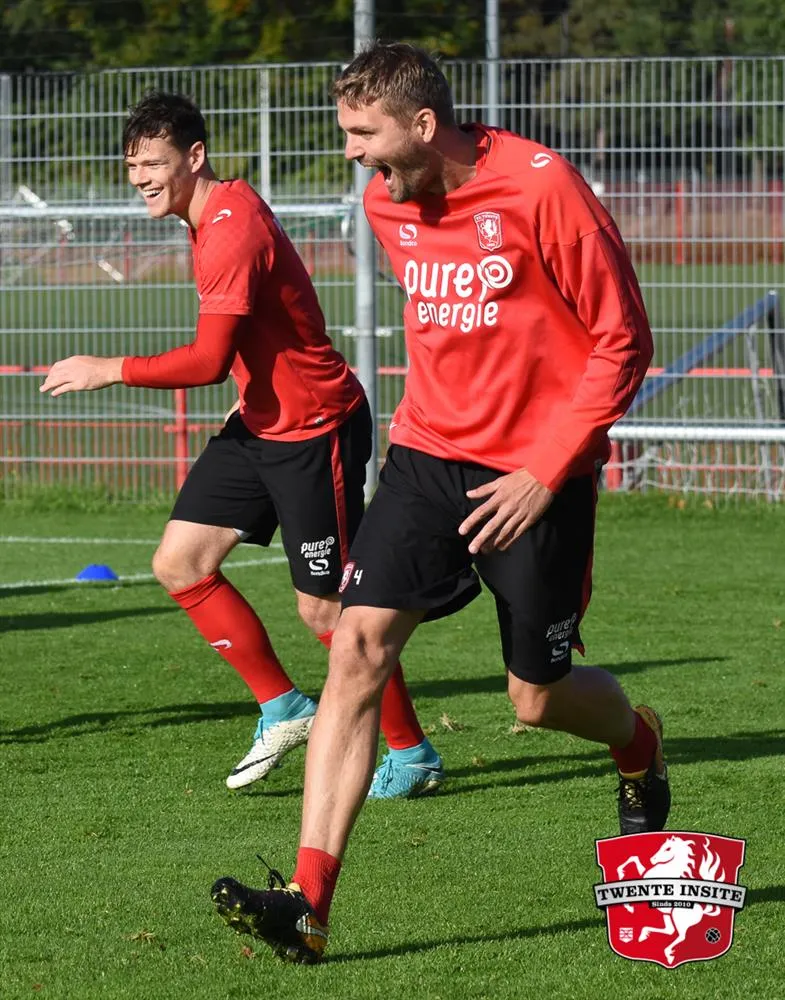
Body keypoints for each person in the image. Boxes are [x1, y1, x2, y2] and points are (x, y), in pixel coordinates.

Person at [209, 42, 671, 965]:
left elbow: (622, 341)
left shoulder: (545, 190)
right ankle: (308, 903)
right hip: (427, 461)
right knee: (355, 648)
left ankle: (638, 744)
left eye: (362, 134)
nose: (352, 155)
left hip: (538, 479)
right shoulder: (386, 201)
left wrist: (545, 469)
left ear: (423, 125)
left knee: (534, 702)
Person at [39, 90, 444, 799]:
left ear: (194, 157)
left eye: (154, 163)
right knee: (179, 562)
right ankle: (285, 708)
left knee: (329, 612)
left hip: (314, 429)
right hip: (259, 423)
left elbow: (203, 360)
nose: (140, 178)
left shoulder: (229, 228)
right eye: (132, 165)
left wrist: (106, 369)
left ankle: (411, 754)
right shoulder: (212, 211)